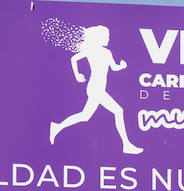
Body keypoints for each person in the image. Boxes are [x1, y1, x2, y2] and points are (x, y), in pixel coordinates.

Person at [48, 24, 142, 154]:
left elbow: (114, 67)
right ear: (99, 38)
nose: (109, 39)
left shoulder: (107, 52)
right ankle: (126, 145)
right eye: (106, 36)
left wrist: (122, 66)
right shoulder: (91, 50)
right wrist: (77, 75)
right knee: (118, 111)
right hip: (95, 87)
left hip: (99, 88)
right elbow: (73, 59)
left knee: (85, 116)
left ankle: (57, 127)